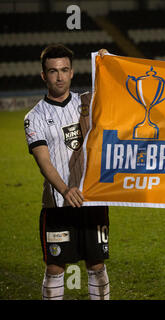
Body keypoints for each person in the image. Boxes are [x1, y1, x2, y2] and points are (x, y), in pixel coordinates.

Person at [24, 44, 110, 300]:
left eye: (64, 70)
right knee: (55, 267)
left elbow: (119, 95)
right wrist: (65, 190)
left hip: (93, 199)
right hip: (57, 204)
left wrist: (107, 65)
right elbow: (43, 161)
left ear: (72, 72)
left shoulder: (89, 102)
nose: (59, 77)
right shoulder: (34, 117)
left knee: (96, 265)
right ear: (43, 75)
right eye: (53, 71)